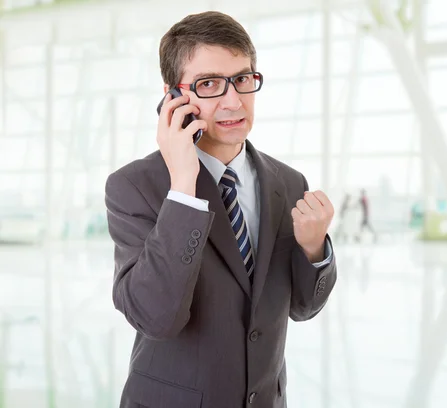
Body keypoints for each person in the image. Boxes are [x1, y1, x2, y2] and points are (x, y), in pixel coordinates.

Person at [104, 11, 337, 408]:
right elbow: (156, 317)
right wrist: (183, 187)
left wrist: (315, 251)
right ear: (173, 96)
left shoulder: (289, 182)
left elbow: (302, 308)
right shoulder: (134, 186)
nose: (233, 101)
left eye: (243, 79)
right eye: (209, 84)